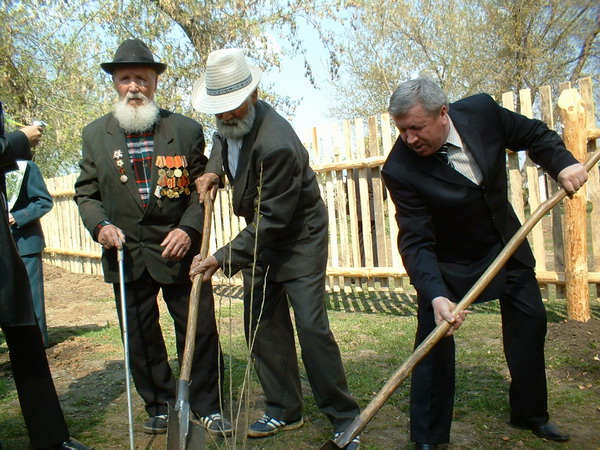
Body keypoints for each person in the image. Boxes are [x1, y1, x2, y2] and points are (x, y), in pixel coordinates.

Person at [380, 78, 588, 449]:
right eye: (401, 130)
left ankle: (530, 414)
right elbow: (416, 240)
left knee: (530, 322)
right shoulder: (400, 169)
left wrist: (563, 164)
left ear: (443, 112)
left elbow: (534, 134)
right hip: (450, 262)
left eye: (416, 128)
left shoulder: (482, 112)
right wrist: (435, 295)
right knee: (433, 340)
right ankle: (428, 437)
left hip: (505, 245)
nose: (409, 139)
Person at [189, 48, 361, 448]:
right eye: (220, 110)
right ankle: (284, 409)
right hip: (261, 235)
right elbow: (221, 140)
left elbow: (274, 222)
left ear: (253, 95)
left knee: (311, 327)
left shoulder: (276, 143)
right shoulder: (228, 123)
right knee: (262, 322)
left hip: (297, 236)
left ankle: (344, 417)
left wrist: (220, 257)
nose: (227, 115)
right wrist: (213, 169)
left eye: (234, 107)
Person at [74, 39, 230, 437]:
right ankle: (159, 404)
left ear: (155, 81)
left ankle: (206, 405)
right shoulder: (95, 135)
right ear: (114, 83)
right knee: (140, 334)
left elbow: (204, 189)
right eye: (125, 79)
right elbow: (86, 194)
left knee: (199, 328)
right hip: (125, 252)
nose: (133, 87)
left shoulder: (185, 129)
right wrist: (100, 226)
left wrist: (188, 228)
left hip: (178, 250)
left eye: (141, 78)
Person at [0, 101, 90, 449]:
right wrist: (18, 140)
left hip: (12, 247)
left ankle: (52, 437)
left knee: (26, 331)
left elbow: (40, 201)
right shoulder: (17, 145)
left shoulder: (26, 169)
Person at [8, 158, 53, 347]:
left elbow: (44, 201)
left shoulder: (25, 167)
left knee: (32, 295)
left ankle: (38, 342)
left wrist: (17, 216)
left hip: (25, 242)